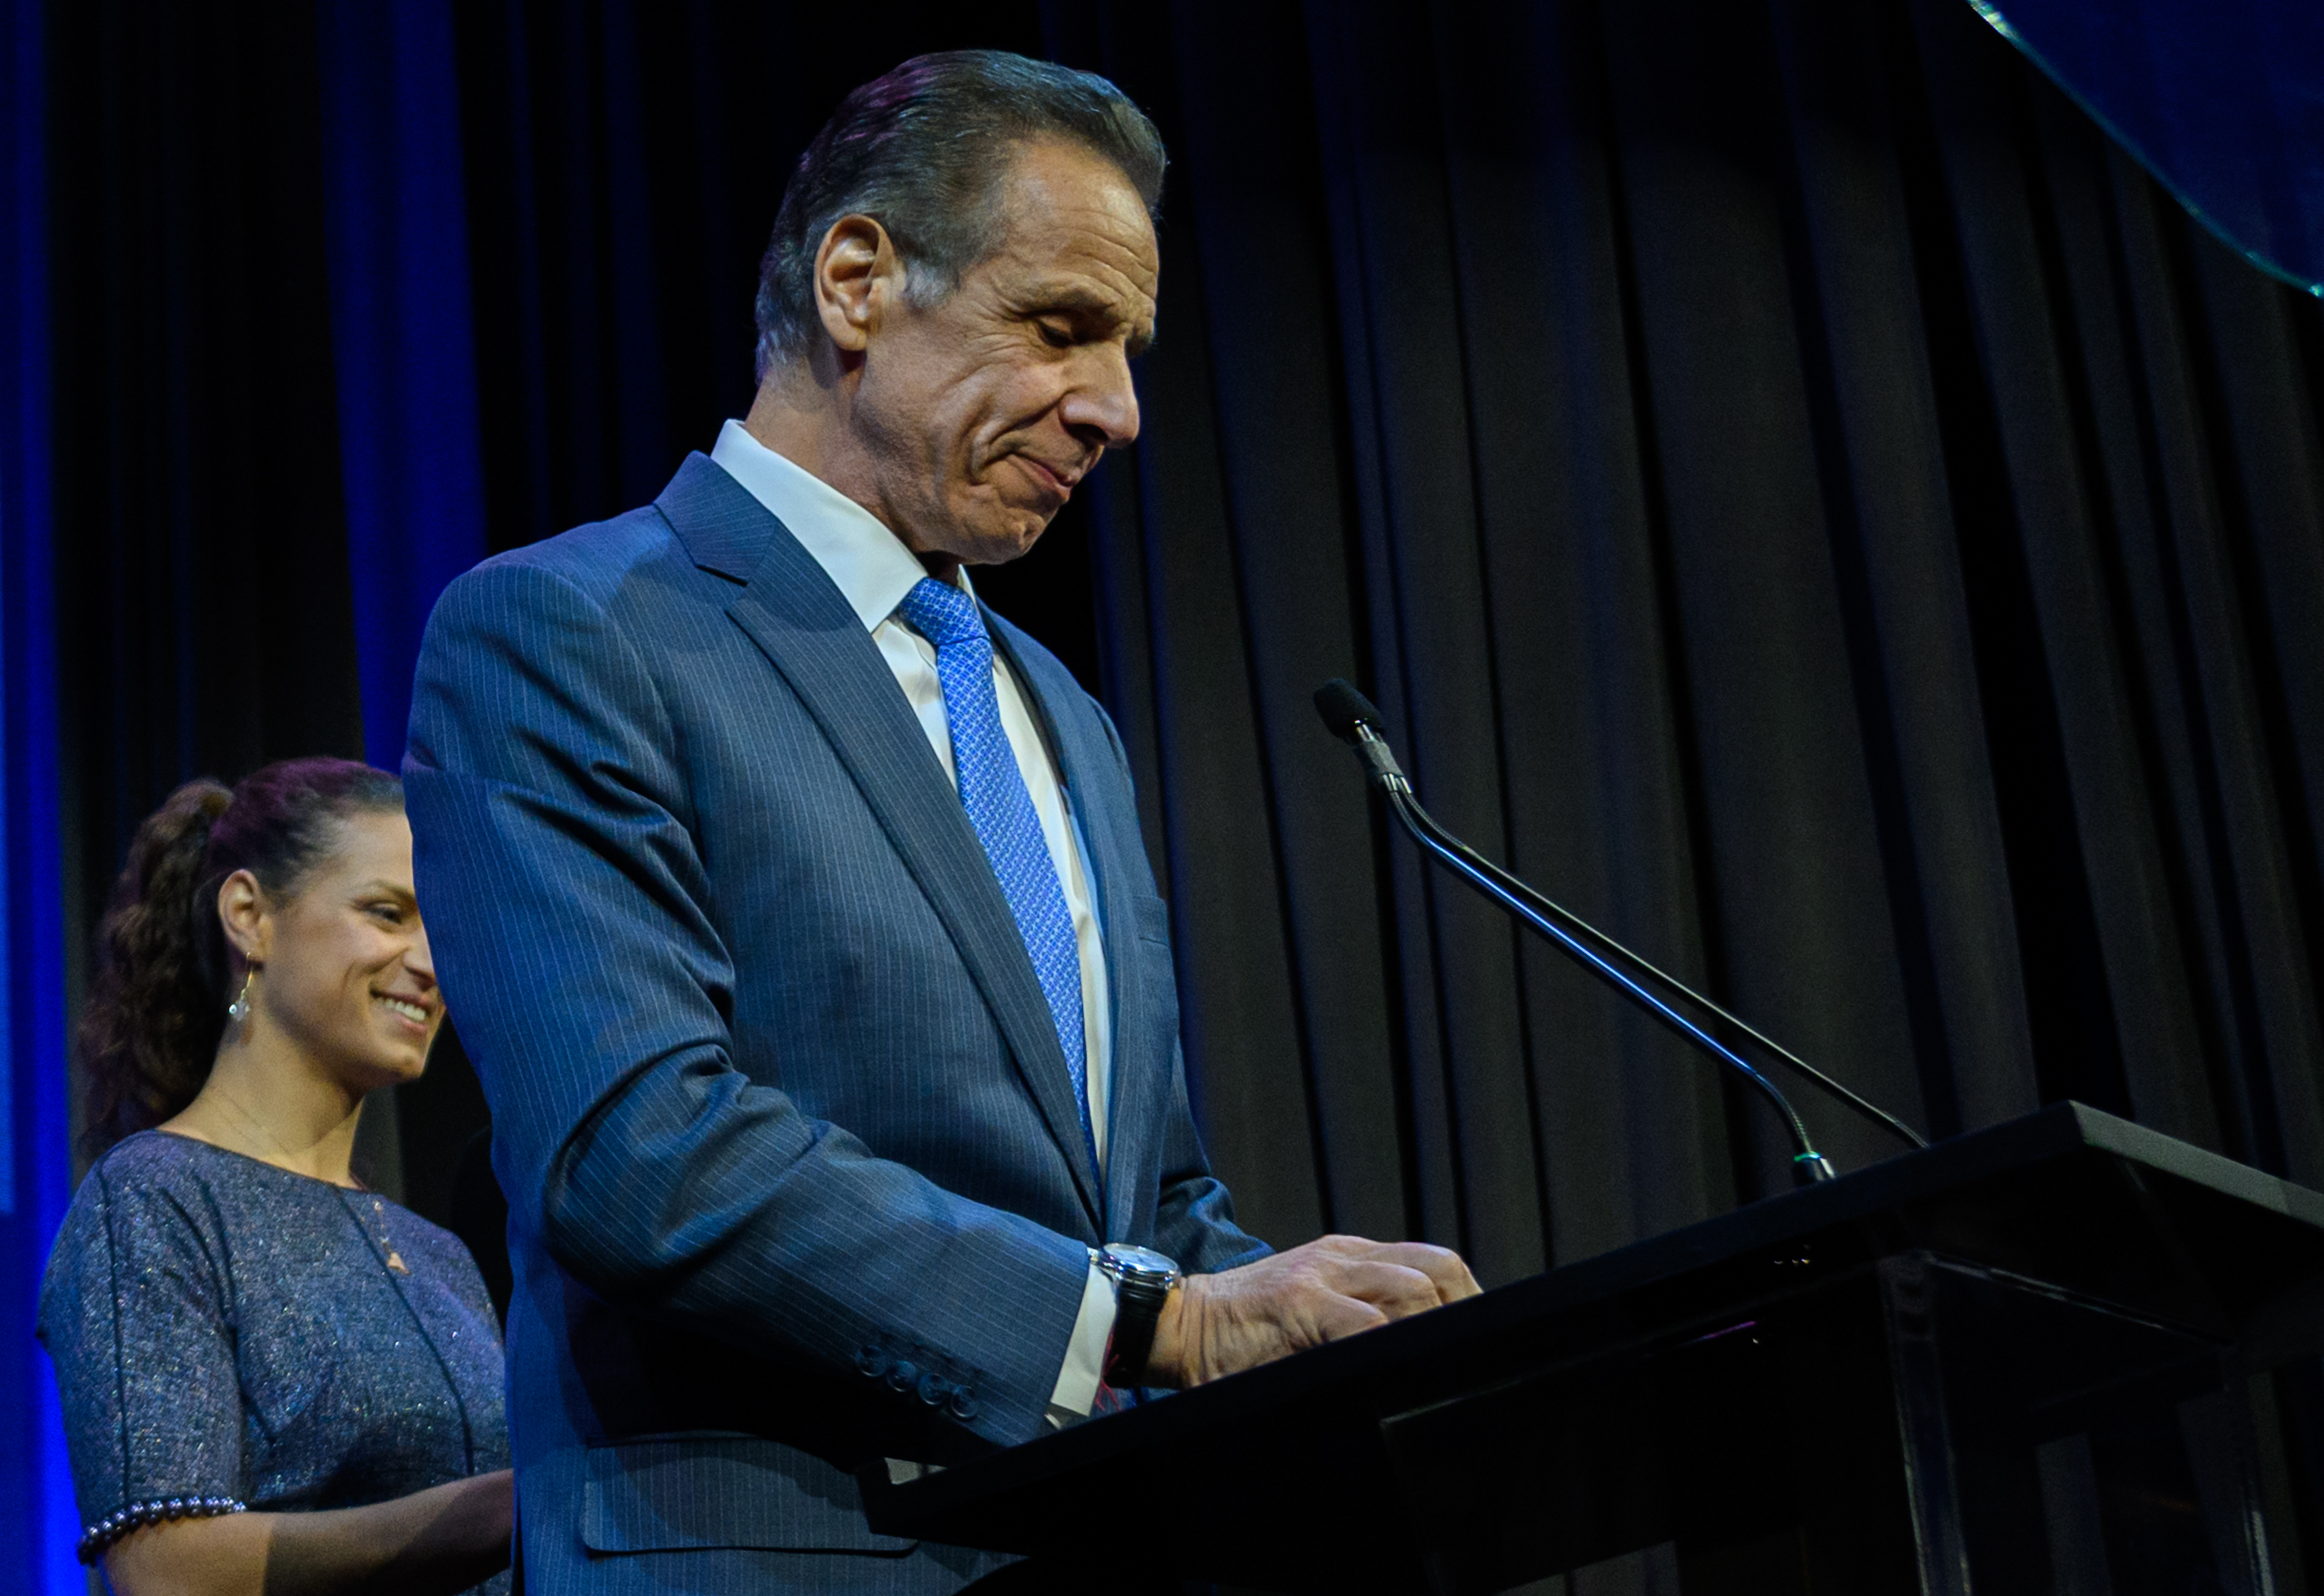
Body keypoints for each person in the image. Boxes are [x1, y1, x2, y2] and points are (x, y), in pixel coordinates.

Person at [405, 50, 1477, 1594]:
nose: (1115, 409)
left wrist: (1343, 1332)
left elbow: (1146, 1199)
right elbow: (638, 1155)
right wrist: (1160, 1324)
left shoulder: (1059, 710)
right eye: (1059, 327)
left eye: (1125, 351)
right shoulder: (568, 630)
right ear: (856, 282)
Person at [37, 759, 514, 1596]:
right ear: (250, 918)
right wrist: (510, 1509)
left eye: (440, 927)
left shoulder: (440, 1255)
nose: (430, 963)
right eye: (387, 914)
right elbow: (167, 1571)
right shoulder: (154, 1198)